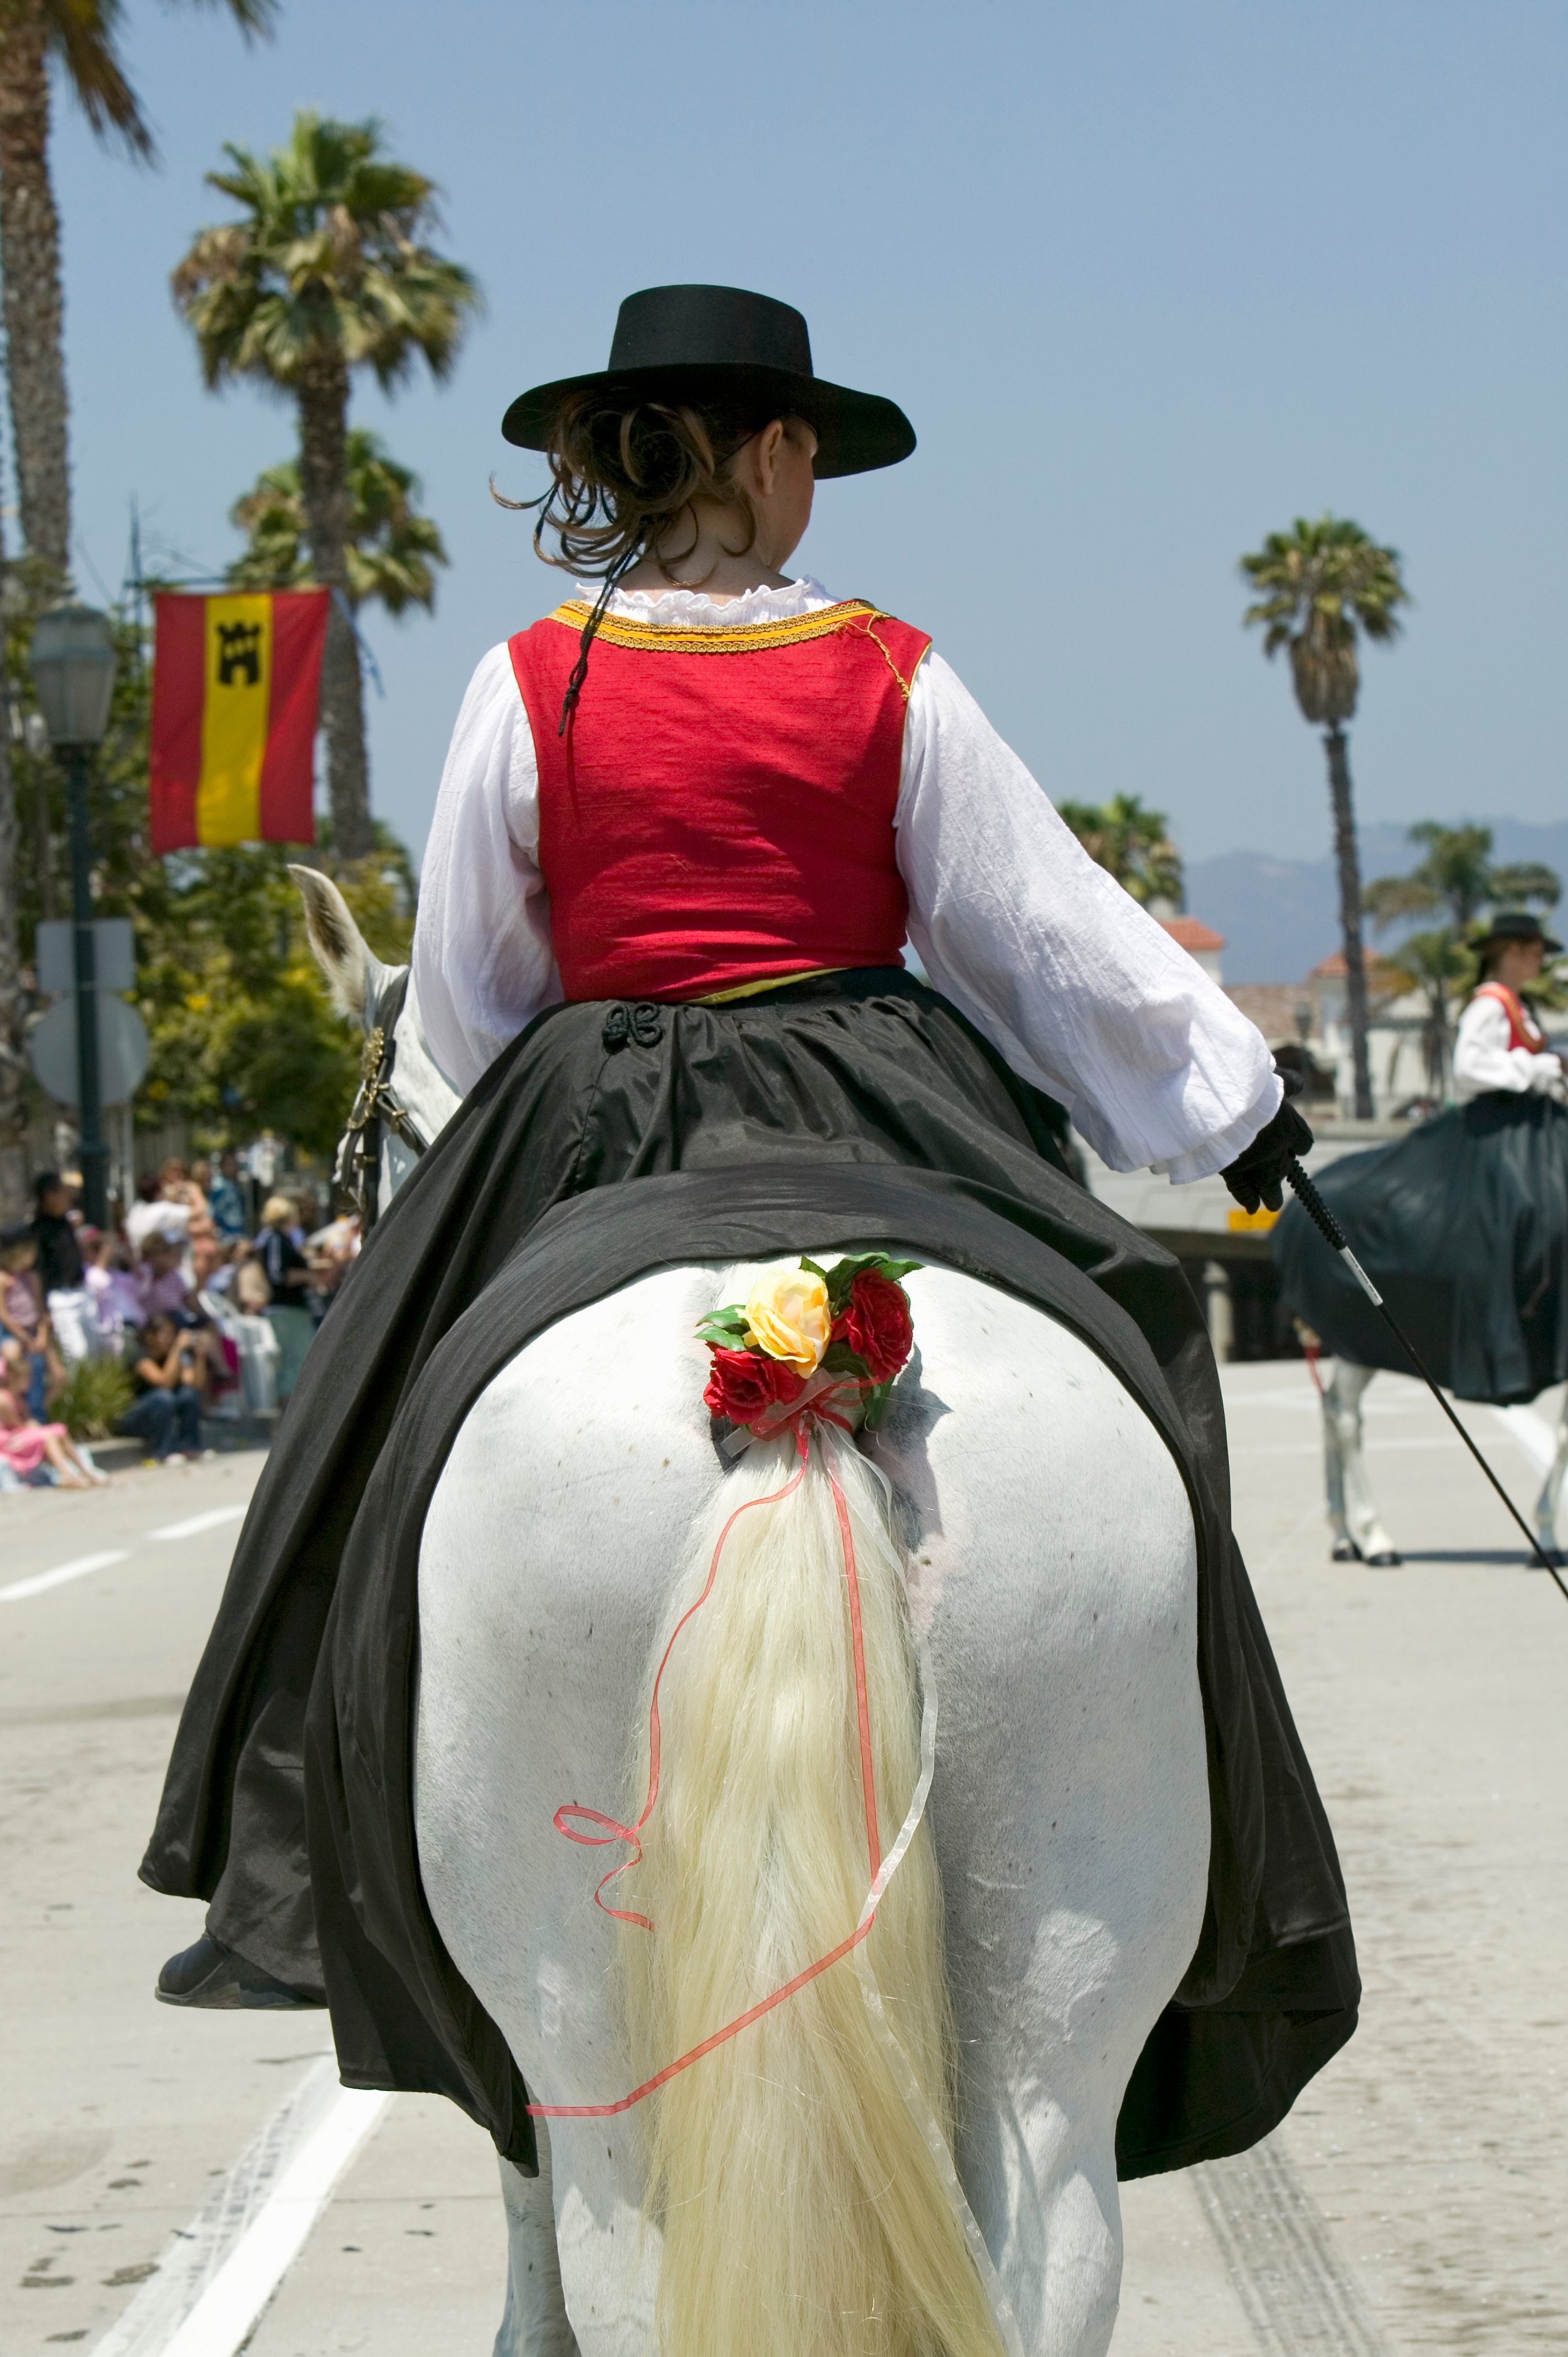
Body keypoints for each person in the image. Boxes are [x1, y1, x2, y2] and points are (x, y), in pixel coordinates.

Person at [144, 287, 1350, 2184]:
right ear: (765, 452)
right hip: (877, 1076)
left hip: (595, 1103)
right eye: (804, 450)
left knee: (371, 1433)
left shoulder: (529, 673)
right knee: (1123, 1340)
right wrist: (1226, 1109)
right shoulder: (890, 669)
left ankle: (303, 1860)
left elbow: (460, 998)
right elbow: (1033, 927)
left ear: (634, 454)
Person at [1276, 908, 1568, 1403]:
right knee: (1532, 1209)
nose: (1541, 960)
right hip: (1502, 1132)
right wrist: (1535, 1067)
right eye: (1535, 951)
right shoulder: (1490, 1004)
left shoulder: (1516, 1005)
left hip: (1533, 1125)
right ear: (1512, 953)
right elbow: (1470, 1066)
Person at [0, 1341, 105, 1489]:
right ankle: (65, 1474)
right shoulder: (4, 1399)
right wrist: (31, 1426)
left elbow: (24, 1421)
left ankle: (84, 1471)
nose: (28, 1382)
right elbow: (15, 1424)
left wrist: (31, 1424)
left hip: (19, 1434)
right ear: (12, 1377)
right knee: (48, 1436)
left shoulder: (19, 1398)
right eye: (25, 1378)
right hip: (8, 1439)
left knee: (60, 1430)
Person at [118, 1314, 208, 1463]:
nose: (170, 1339)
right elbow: (164, 1382)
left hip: (161, 1412)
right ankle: (163, 1451)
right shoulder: (141, 1358)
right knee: (163, 1397)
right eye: (165, 1334)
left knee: (188, 1395)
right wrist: (177, 1349)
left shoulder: (174, 1357)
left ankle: (190, 1447)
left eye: (172, 1334)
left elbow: (196, 1384)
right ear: (150, 1337)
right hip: (133, 1418)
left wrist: (200, 1356)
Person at [29, 1171, 93, 1365]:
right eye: (64, 1192)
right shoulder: (38, 1230)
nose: (69, 1197)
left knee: (94, 1353)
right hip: (60, 1297)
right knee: (77, 1355)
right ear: (49, 1195)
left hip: (82, 1290)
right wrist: (43, 1311)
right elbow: (37, 1274)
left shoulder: (64, 1222)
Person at [0, 1223, 63, 1420]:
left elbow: (40, 1311)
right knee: (15, 1361)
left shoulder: (32, 1278)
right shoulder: (4, 1279)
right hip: (14, 1332)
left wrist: (42, 1334)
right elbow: (4, 1315)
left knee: (60, 1376)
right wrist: (24, 1338)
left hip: (35, 1331)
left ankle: (38, 1412)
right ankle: (20, 1413)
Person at [206, 1150, 247, 1241]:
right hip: (223, 1235)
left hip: (237, 1233)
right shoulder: (217, 1186)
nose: (232, 1168)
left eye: (234, 1165)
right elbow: (213, 1212)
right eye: (229, 1165)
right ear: (222, 1167)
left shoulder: (236, 1186)